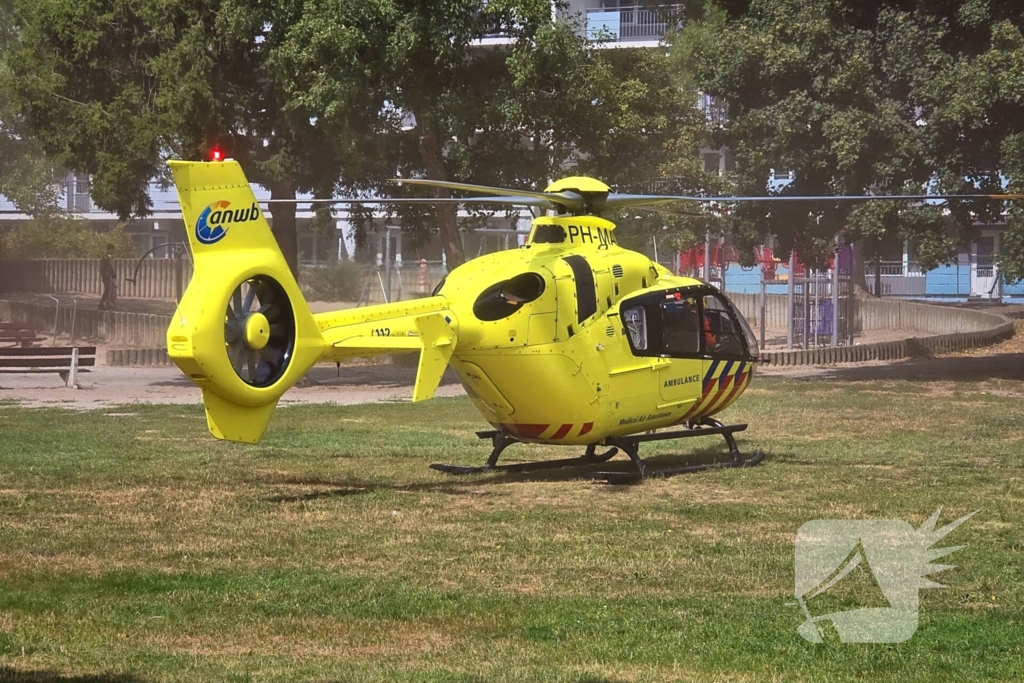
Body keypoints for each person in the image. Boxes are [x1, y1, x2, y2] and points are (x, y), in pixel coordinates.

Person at [99, 244, 117, 311]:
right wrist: (114, 274)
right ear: (109, 249)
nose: (113, 251)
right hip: (108, 275)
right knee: (108, 290)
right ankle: (107, 305)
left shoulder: (104, 256)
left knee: (107, 290)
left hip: (105, 275)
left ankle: (102, 304)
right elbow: (111, 265)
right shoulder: (108, 256)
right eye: (112, 250)